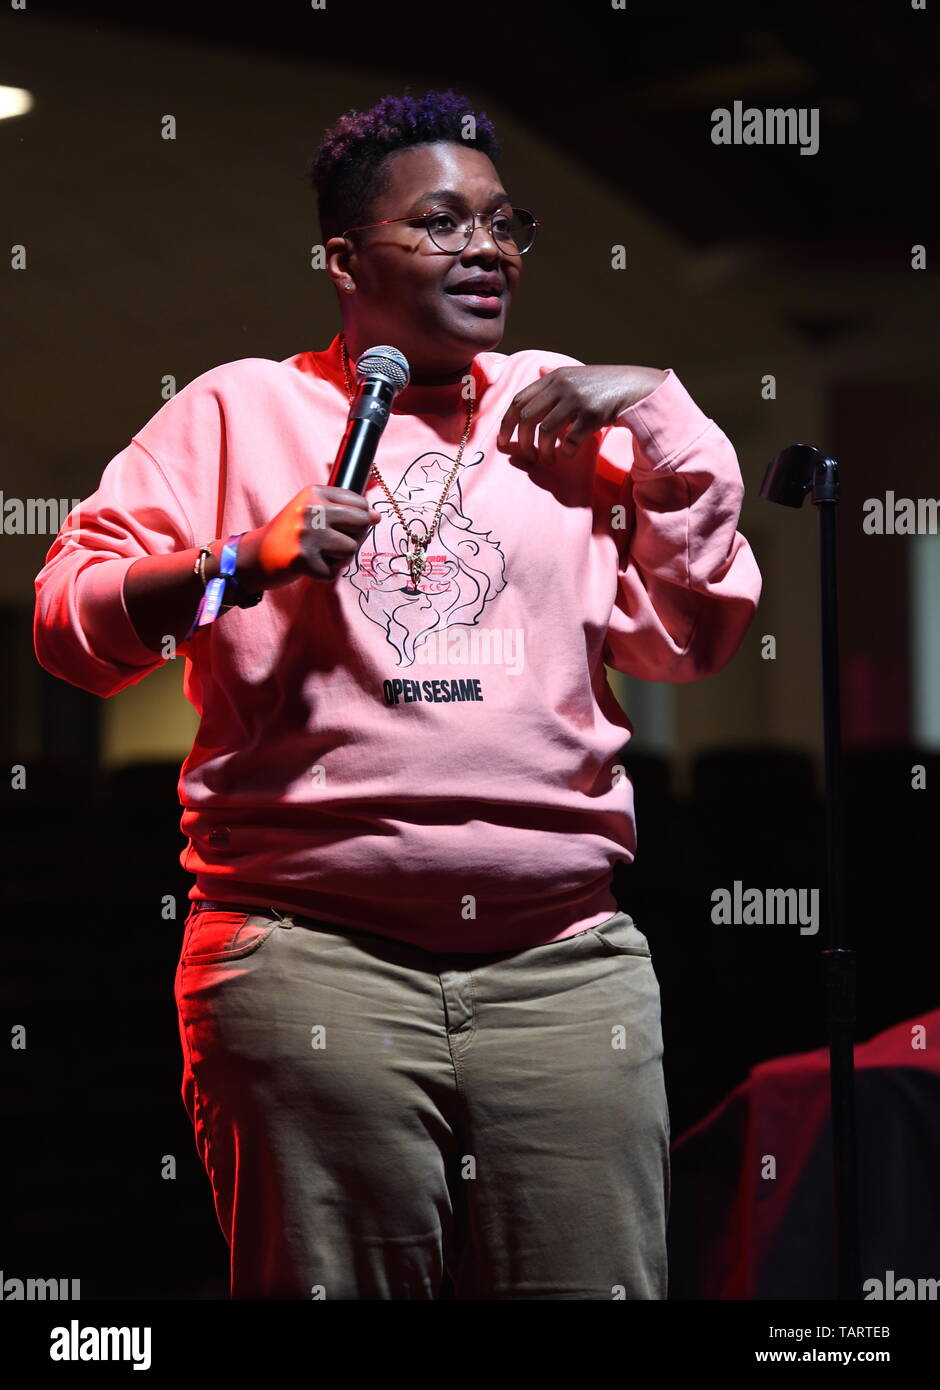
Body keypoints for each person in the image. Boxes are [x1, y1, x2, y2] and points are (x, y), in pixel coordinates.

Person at [33, 88, 762, 1300]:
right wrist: (238, 561)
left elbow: (687, 642)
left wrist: (660, 405)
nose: (486, 248)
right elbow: (70, 626)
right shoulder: (238, 409)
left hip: (563, 970)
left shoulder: (562, 407)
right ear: (342, 257)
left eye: (504, 224)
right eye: (440, 222)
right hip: (313, 962)